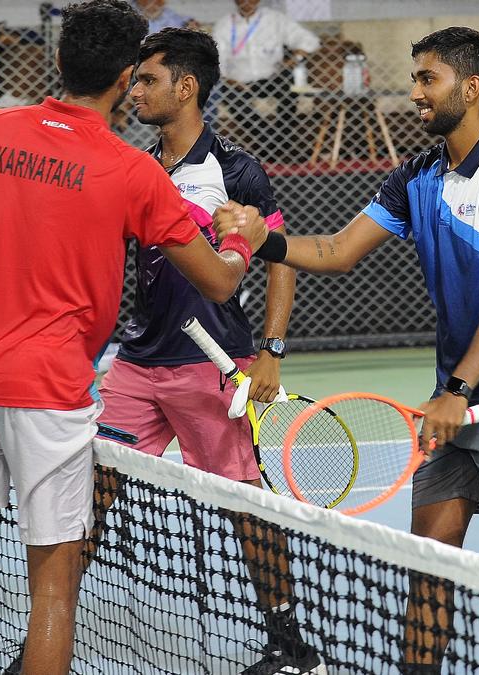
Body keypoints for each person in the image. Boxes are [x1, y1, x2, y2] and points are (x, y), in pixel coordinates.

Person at [0, 2, 269, 674]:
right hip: (48, 389)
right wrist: (239, 236)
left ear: (59, 62)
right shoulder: (132, 171)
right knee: (52, 582)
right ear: (125, 77)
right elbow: (221, 282)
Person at [232, 27, 479, 672]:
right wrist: (264, 242)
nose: (414, 91)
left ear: (468, 89)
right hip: (454, 398)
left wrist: (459, 390)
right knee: (429, 554)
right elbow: (338, 250)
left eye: (428, 79)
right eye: (415, 78)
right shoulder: (416, 174)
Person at [108, 27, 318, 674]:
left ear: (187, 87)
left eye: (147, 79)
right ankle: (42, 639)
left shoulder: (236, 171)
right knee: (89, 489)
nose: (134, 89)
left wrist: (272, 351)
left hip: (213, 367)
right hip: (136, 365)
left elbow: (280, 259)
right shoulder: (135, 166)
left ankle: (290, 645)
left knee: (244, 508)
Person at [212, 0, 319, 149]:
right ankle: (271, 142)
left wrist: (296, 57)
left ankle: (277, 139)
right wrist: (230, 81)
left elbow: (310, 41)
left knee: (289, 83)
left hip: (272, 79)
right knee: (230, 97)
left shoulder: (275, 19)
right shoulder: (225, 25)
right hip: (238, 82)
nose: (248, 2)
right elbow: (217, 61)